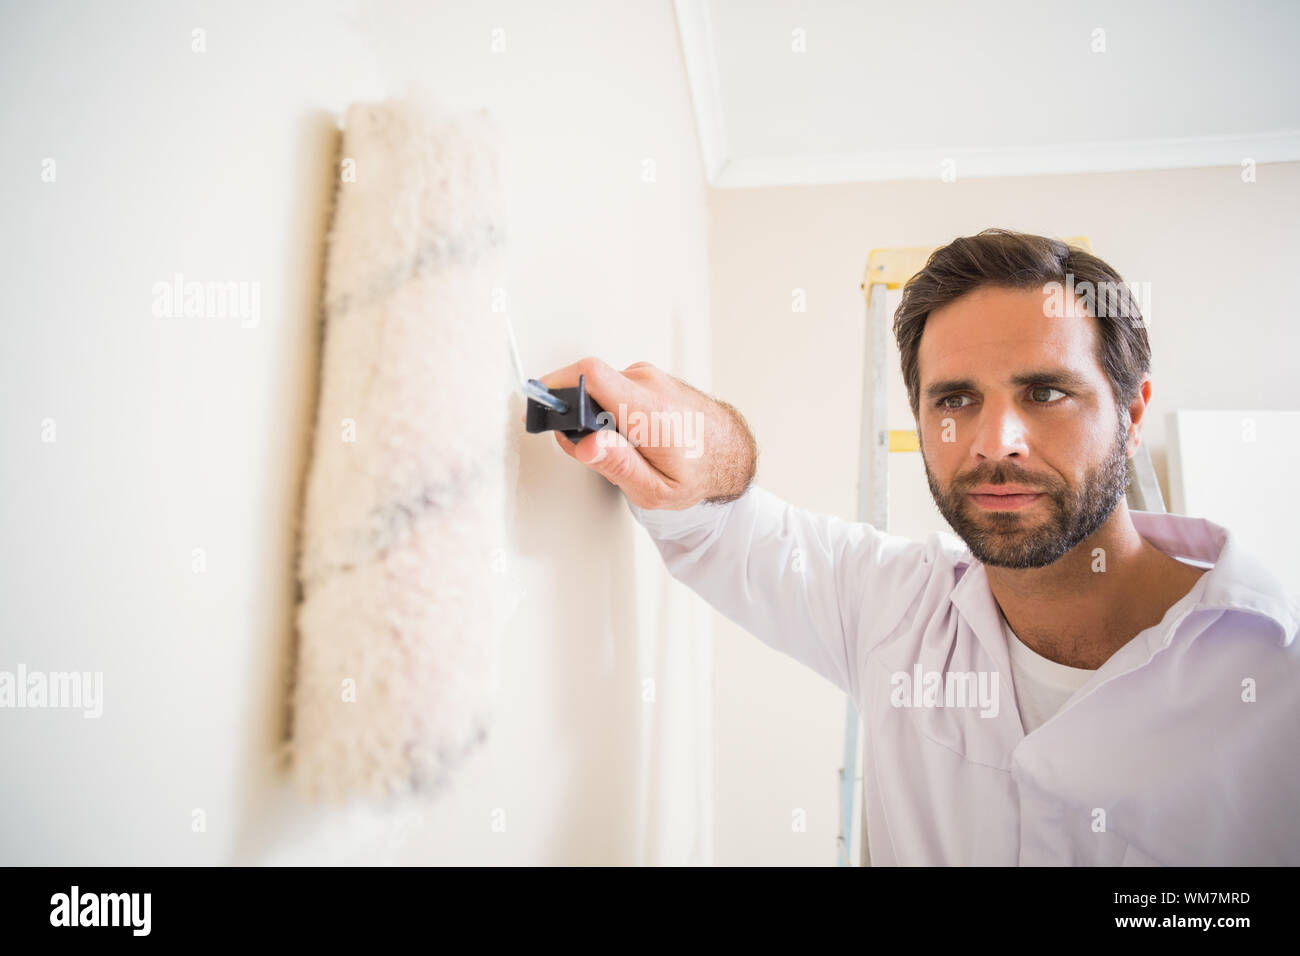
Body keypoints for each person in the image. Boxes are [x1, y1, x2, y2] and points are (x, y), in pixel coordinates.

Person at [535, 228, 1299, 866]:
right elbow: (718, 522)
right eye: (955, 399)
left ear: (1132, 414)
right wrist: (716, 444)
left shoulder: (1275, 684)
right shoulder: (893, 605)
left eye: (1045, 392)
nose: (995, 441)